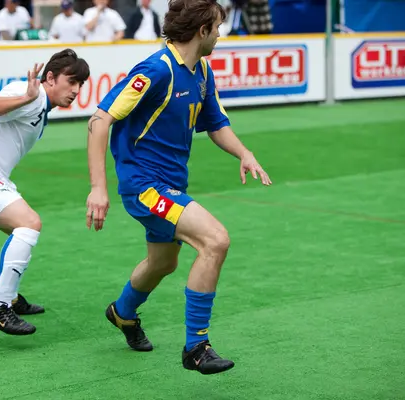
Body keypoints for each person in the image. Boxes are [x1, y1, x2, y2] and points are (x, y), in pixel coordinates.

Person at [85, 0, 271, 374]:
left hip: (169, 186)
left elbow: (215, 123)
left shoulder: (201, 69)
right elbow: (100, 118)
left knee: (162, 263)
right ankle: (196, 347)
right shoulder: (156, 70)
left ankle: (122, 313)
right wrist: (98, 187)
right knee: (215, 240)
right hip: (145, 188)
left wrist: (244, 153)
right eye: (217, 27)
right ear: (202, 31)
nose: (220, 34)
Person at [0, 49, 90, 335]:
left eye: (81, 84)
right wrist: (26, 96)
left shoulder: (39, 104)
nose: (76, 90)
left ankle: (9, 297)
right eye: (71, 81)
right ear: (50, 77)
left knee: (21, 232)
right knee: (29, 223)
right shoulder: (31, 95)